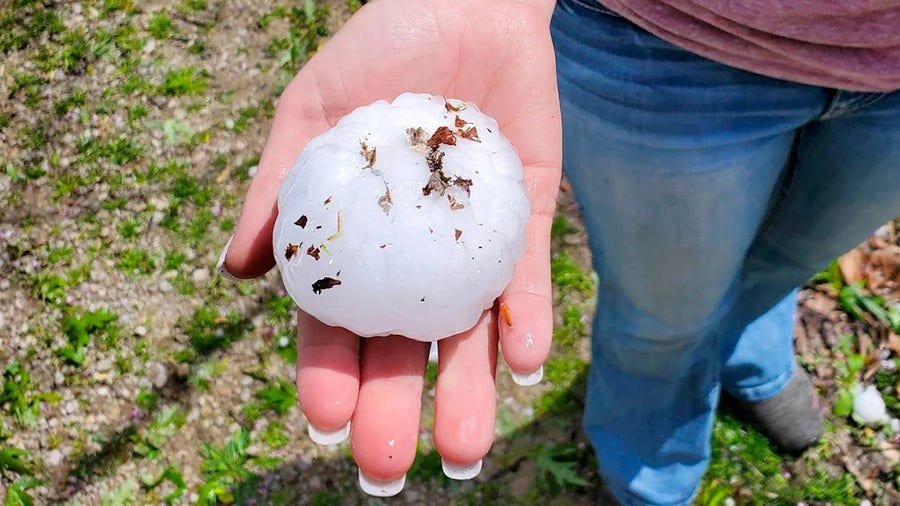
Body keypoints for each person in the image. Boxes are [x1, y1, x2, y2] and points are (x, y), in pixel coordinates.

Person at [218, 0, 900, 504]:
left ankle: (749, 338)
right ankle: (652, 469)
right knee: (663, 309)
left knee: (788, 255)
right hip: (665, 45)